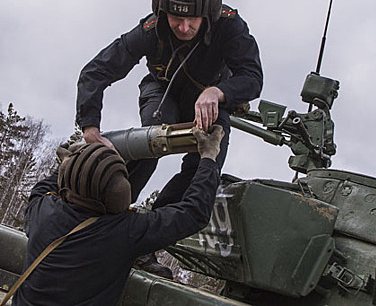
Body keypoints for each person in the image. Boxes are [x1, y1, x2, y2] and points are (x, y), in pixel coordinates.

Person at [76, 0, 263, 209]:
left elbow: (253, 76)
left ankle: (161, 223)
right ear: (163, 13)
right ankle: (106, 209)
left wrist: (218, 92)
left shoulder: (228, 25)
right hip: (162, 91)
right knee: (150, 140)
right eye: (176, 18)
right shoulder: (151, 29)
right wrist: (90, 127)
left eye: (192, 20)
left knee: (207, 161)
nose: (184, 28)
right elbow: (96, 71)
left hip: (212, 101)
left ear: (206, 14)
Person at [12, 126, 224, 306]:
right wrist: (208, 157)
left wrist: (69, 164)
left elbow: (41, 190)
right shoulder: (124, 231)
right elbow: (193, 212)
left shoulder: (43, 210)